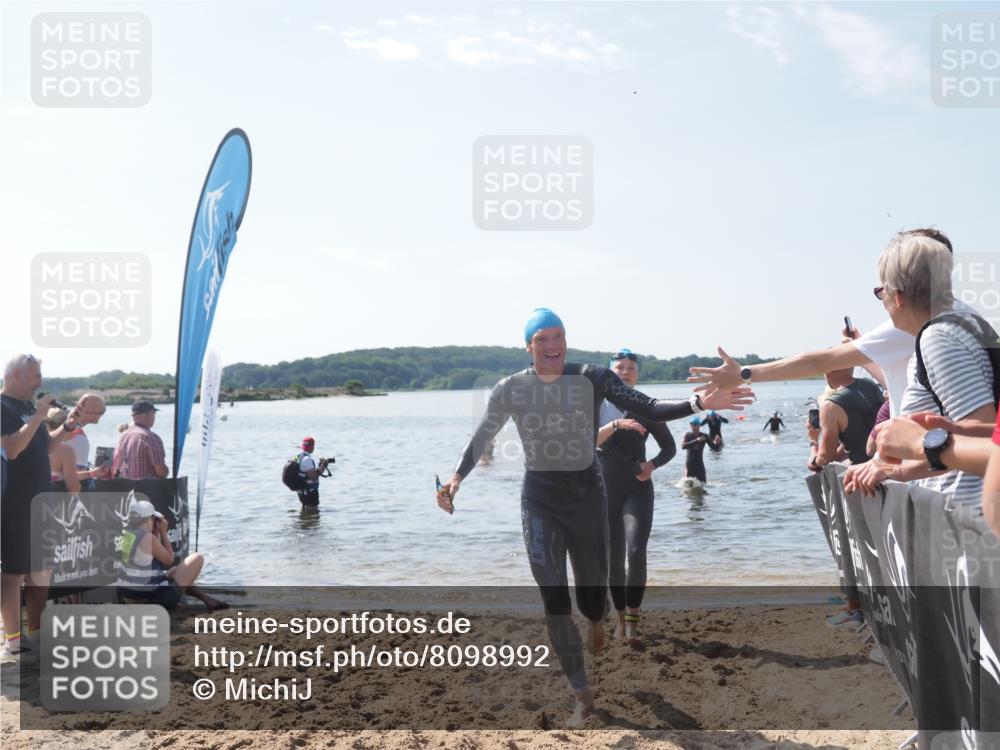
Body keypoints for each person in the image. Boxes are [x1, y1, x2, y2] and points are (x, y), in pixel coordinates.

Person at [435, 309, 753, 726]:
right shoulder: (510, 388)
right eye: (542, 339)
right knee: (553, 600)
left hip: (587, 497)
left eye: (558, 336)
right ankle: (582, 695)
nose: (552, 346)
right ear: (528, 346)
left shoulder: (594, 377)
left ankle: (597, 617)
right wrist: (456, 478)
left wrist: (698, 402)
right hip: (539, 499)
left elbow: (648, 406)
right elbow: (483, 436)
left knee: (591, 595)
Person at [688, 228, 975, 419]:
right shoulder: (966, 318)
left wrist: (744, 374)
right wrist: (864, 353)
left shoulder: (924, 328)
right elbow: (911, 386)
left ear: (900, 293)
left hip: (939, 482)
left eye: (882, 290)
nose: (883, 301)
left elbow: (820, 361)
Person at [843, 234, 997, 504]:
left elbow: (985, 429)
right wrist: (894, 466)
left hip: (966, 508)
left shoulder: (938, 338)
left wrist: (909, 456)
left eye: (881, 292)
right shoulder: (968, 324)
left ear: (898, 296)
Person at [596, 348, 677, 645]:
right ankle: (619, 620)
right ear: (609, 373)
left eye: (631, 368)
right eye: (620, 367)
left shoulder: (645, 406)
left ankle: (632, 622)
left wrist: (651, 466)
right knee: (614, 558)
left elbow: (669, 447)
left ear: (637, 374)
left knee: (635, 552)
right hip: (604, 492)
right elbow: (587, 443)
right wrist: (616, 425)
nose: (625, 372)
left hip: (637, 489)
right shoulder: (596, 405)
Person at [1, 354, 56, 661]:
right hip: (15, 502)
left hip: (41, 501)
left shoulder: (27, 407)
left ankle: (36, 633)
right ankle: (13, 640)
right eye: (36, 375)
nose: (40, 382)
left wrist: (69, 426)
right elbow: (11, 449)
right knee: (14, 573)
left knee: (42, 570)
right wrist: (38, 416)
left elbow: (44, 447)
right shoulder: (3, 407)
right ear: (16, 376)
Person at [117, 500, 226, 610]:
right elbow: (169, 560)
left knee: (174, 571)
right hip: (149, 601)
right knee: (197, 558)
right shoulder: (148, 538)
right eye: (153, 519)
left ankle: (208, 600)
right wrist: (163, 533)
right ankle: (196, 601)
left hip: (128, 597)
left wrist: (156, 535)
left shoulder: (127, 535)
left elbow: (148, 561)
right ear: (149, 519)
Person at [808, 370, 883, 470]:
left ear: (827, 373)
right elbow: (861, 431)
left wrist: (813, 442)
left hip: (863, 471)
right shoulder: (870, 385)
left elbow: (825, 458)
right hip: (886, 461)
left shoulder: (830, 406)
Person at [112, 401, 168, 480]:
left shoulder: (124, 436)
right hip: (147, 486)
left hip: (127, 486)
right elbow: (161, 472)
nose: (154, 417)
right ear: (148, 414)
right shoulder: (150, 437)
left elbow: (118, 467)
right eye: (154, 413)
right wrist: (166, 471)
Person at [293, 437, 332, 507]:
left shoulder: (297, 457)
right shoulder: (307, 459)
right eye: (313, 445)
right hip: (309, 490)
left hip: (301, 490)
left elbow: (304, 472)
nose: (314, 447)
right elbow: (313, 477)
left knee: (305, 508)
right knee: (313, 510)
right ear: (311, 446)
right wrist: (323, 465)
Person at [681, 417, 711, 483]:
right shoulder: (688, 435)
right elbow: (683, 446)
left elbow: (715, 448)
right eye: (691, 424)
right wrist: (696, 440)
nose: (693, 427)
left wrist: (719, 443)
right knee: (689, 486)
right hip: (690, 465)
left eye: (695, 424)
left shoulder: (704, 436)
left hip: (699, 465)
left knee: (703, 484)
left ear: (699, 425)